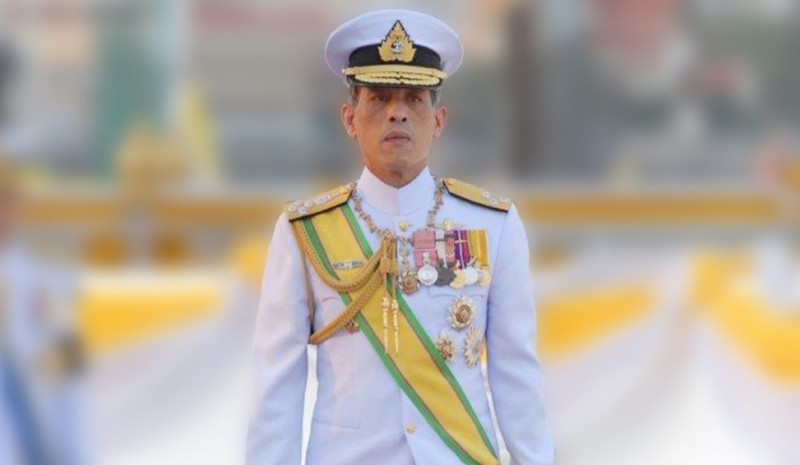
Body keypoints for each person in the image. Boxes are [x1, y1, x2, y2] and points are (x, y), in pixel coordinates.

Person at [247, 9, 554, 465]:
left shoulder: (493, 224)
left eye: (414, 99)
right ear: (349, 118)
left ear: (440, 119)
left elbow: (516, 371)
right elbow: (277, 381)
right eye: (379, 98)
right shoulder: (306, 232)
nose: (397, 113)